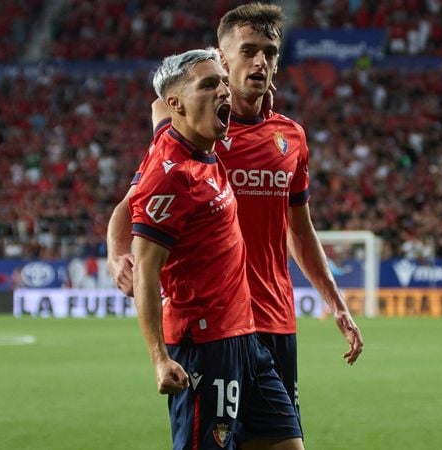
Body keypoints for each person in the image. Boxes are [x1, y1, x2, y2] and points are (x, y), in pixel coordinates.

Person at [108, 2, 364, 431]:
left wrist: (336, 304)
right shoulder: (192, 133)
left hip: (276, 320)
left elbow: (299, 230)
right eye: (248, 50)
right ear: (223, 59)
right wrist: (119, 255)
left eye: (270, 51)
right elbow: (131, 202)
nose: (260, 61)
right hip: (214, 328)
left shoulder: (291, 138)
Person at [131, 48, 304, 450]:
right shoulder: (169, 177)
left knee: (287, 444)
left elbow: (159, 107)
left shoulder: (200, 143)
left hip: (246, 336)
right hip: (204, 345)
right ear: (178, 104)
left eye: (222, 82)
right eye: (209, 85)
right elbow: (145, 269)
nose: (223, 91)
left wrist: (252, 93)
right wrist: (159, 358)